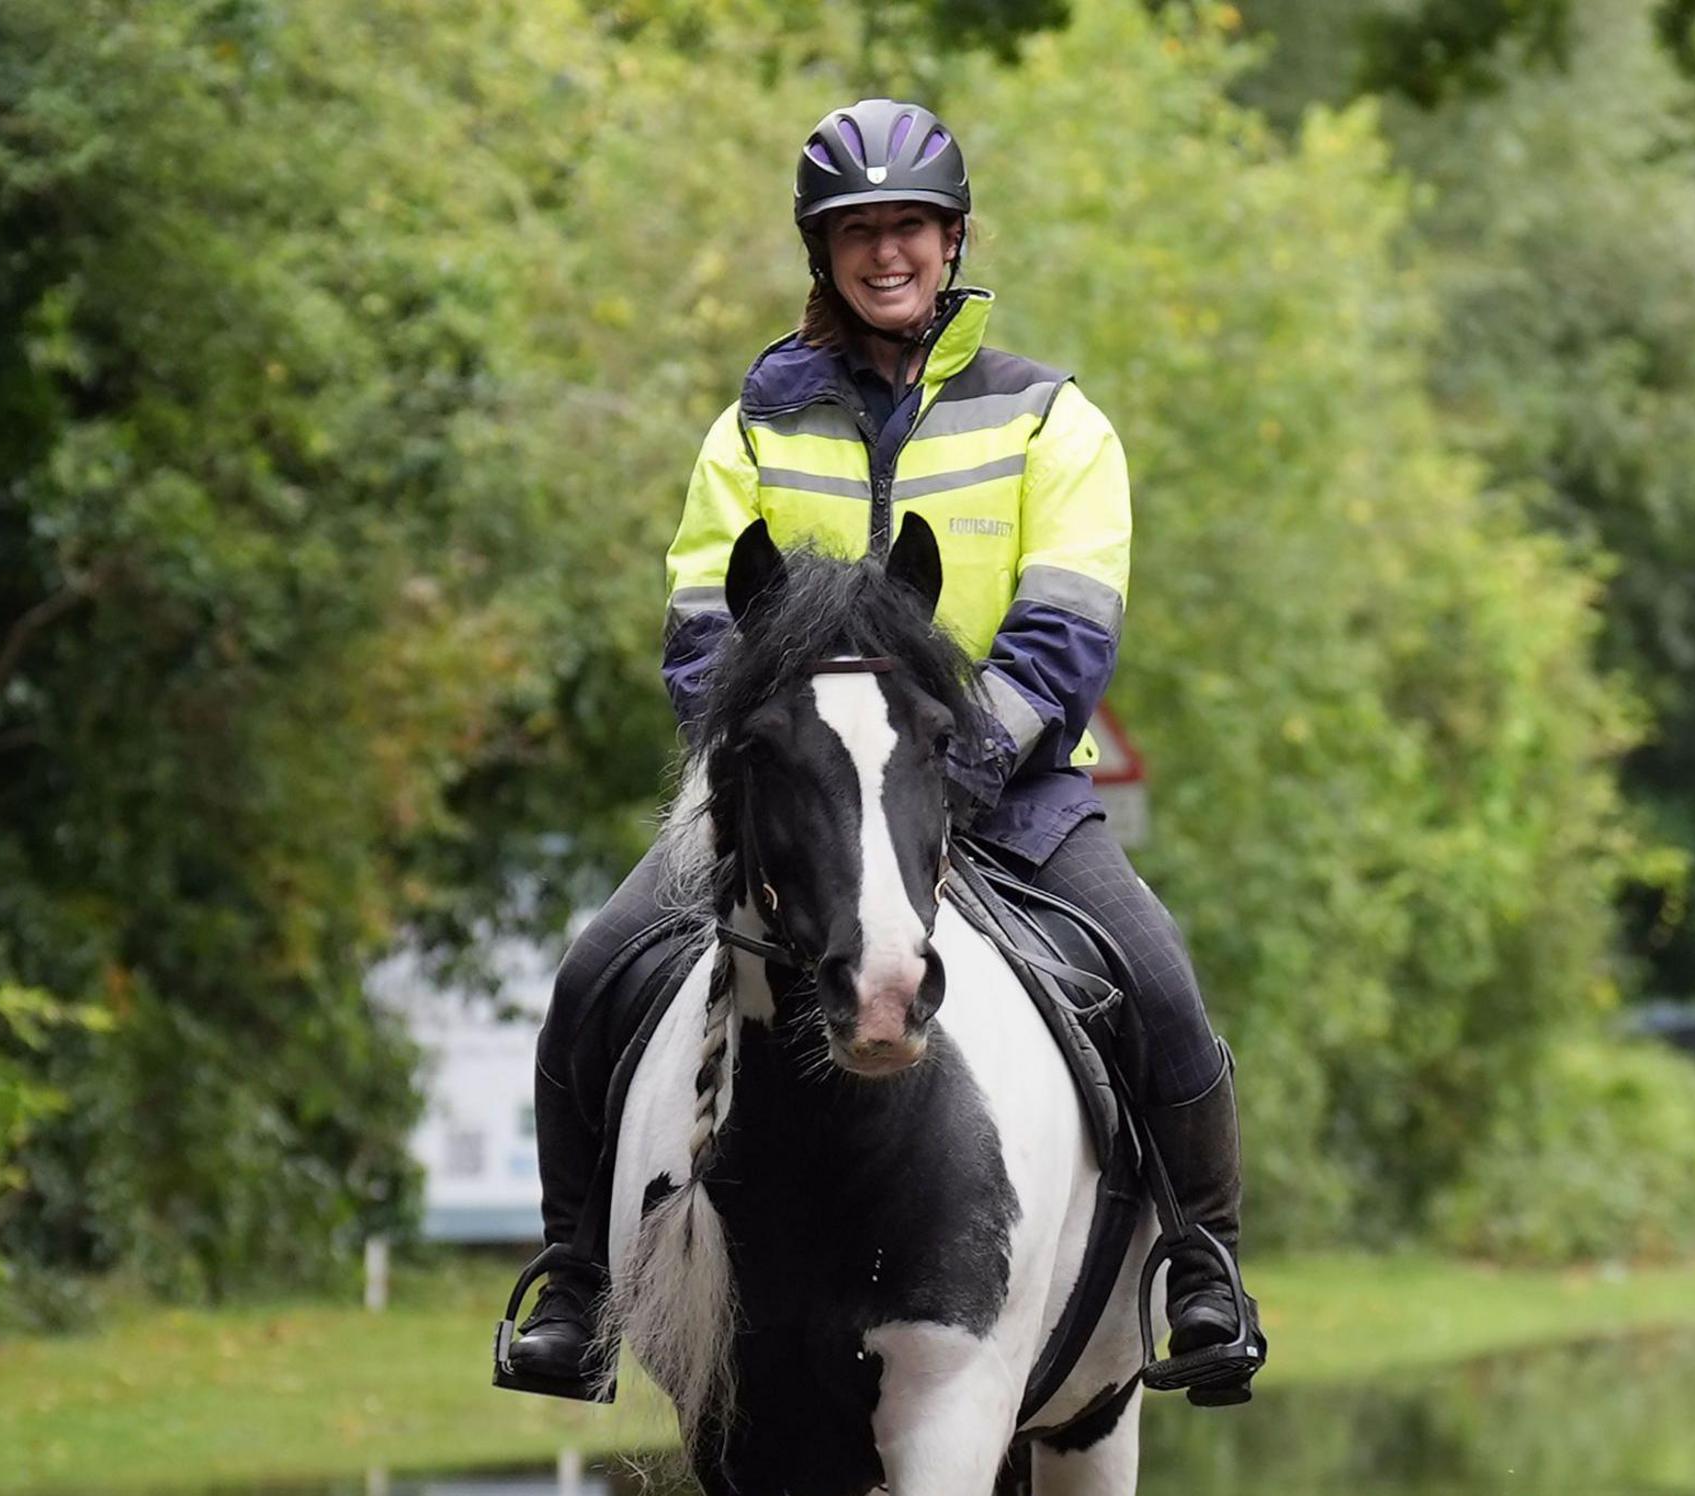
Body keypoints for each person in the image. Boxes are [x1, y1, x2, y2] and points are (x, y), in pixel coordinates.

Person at [494, 96, 1262, 1409]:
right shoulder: (751, 431)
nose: (887, 250)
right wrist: (783, 785)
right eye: (858, 231)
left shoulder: (1049, 421)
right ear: (821, 252)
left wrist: (948, 784)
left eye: (910, 224)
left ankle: (1203, 1265)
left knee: (1156, 976)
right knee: (596, 972)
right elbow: (701, 628)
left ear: (954, 238)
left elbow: (1068, 630)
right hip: (797, 806)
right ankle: (576, 1285)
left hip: (1007, 800)